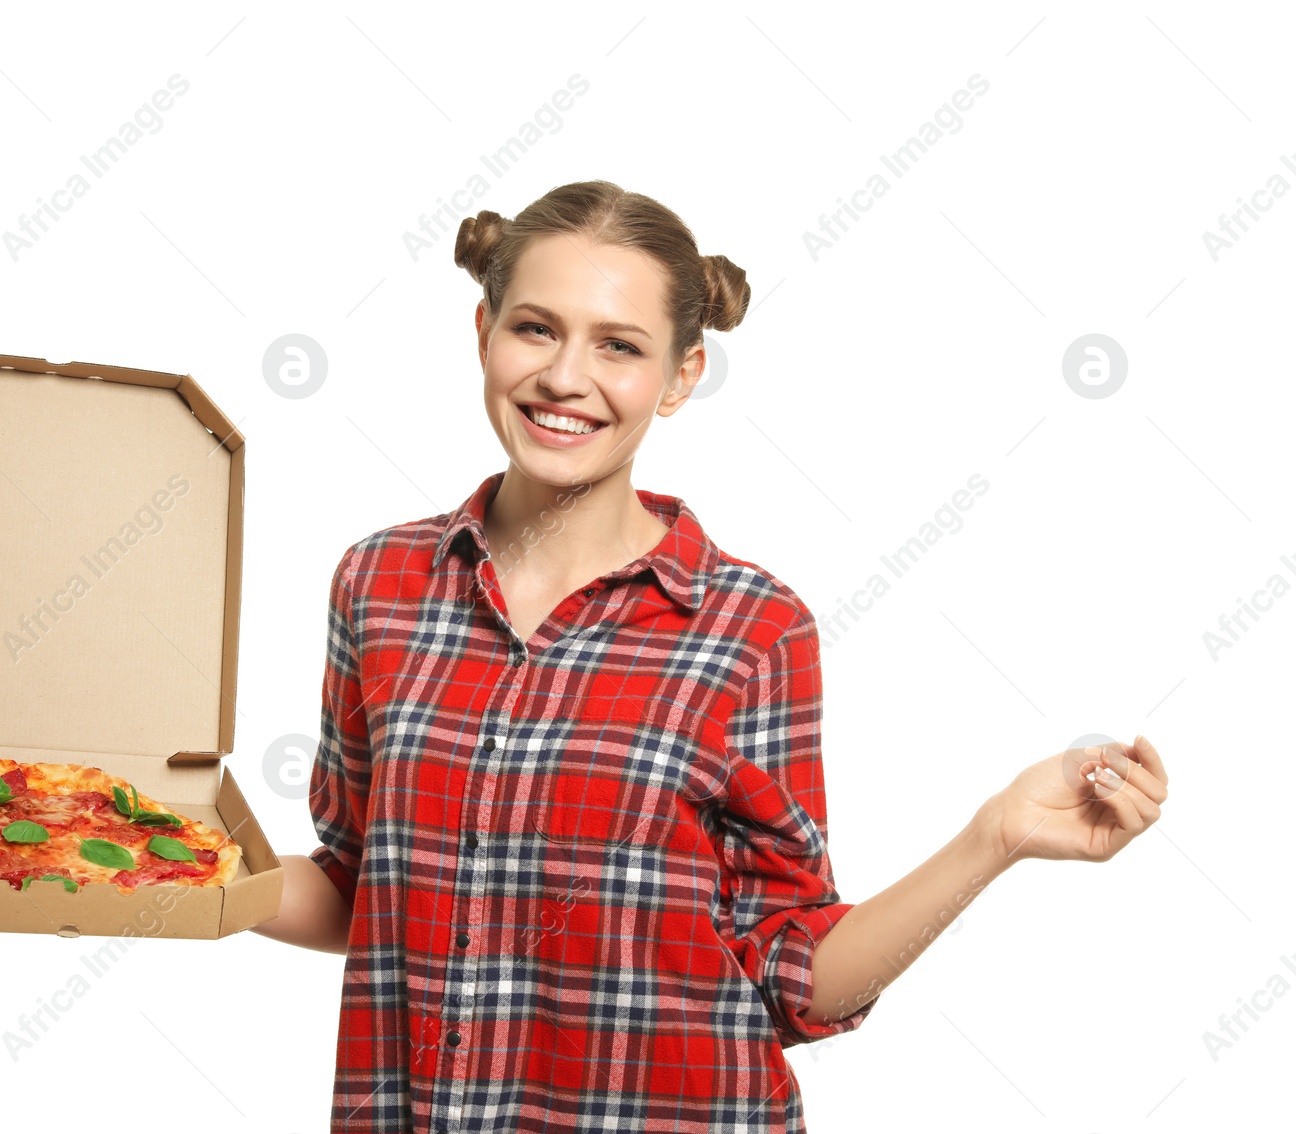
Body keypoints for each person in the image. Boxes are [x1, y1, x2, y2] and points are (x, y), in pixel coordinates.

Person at [249, 180, 1169, 1133]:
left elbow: (797, 973)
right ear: (482, 330)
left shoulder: (753, 631)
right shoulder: (380, 584)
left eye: (619, 346)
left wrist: (998, 839)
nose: (567, 377)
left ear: (682, 376)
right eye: (535, 328)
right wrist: (188, 869)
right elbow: (367, 885)